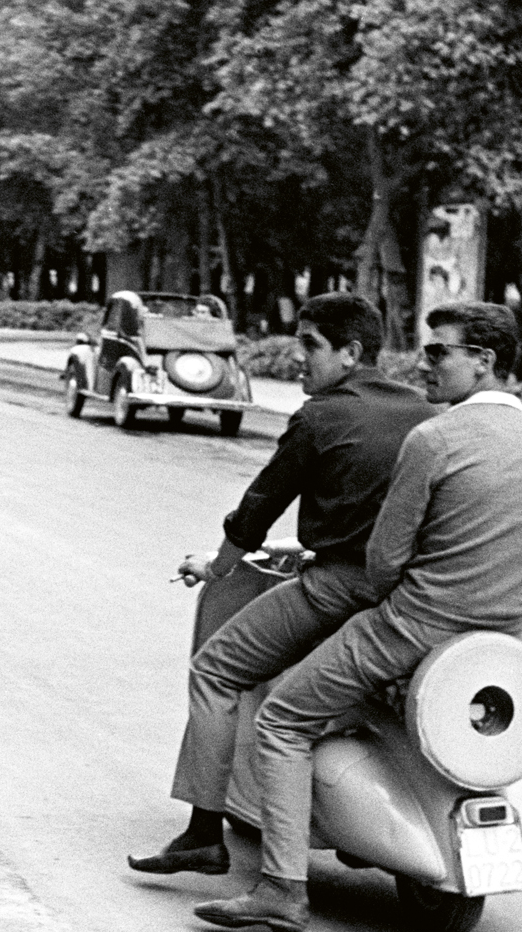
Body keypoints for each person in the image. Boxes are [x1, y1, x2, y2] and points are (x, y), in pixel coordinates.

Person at [195, 301, 522, 932]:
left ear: (482, 362)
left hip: (405, 634)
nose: (422, 364)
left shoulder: (434, 441)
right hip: (495, 654)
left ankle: (281, 889)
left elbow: (381, 566)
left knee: (284, 719)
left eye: (437, 353)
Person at [128, 294, 435, 876]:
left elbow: (259, 507)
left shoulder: (320, 417)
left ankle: (202, 833)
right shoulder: (424, 414)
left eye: (311, 346)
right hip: (406, 594)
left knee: (215, 670)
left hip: (338, 587)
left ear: (351, 352)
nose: (300, 359)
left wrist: (218, 566)